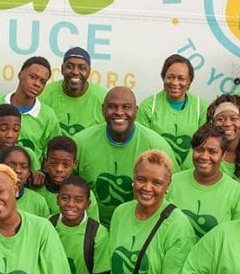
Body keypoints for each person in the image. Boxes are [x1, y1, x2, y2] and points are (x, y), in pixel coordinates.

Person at [75, 87, 176, 226]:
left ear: (136, 111)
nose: (119, 112)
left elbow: (170, 193)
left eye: (126, 107)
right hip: (90, 230)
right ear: (103, 109)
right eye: (112, 107)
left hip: (141, 228)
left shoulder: (156, 146)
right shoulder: (81, 143)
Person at [169, 125, 240, 238]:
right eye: (199, 150)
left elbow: (239, 238)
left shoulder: (236, 193)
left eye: (212, 152)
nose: (204, 156)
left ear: (223, 155)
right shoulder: (172, 183)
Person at [0, 56, 59, 157]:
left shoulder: (48, 116)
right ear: (20, 75)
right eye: (33, 77)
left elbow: (53, 154)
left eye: (42, 81)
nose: (37, 84)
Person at [49, 176, 110, 274]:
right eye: (65, 198)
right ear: (57, 200)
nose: (71, 204)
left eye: (78, 200)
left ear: (87, 204)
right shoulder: (49, 225)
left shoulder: (97, 233)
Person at [184, 93, 240, 193]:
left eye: (234, 118)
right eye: (220, 119)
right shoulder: (200, 154)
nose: (227, 124)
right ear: (213, 123)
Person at [136, 54, 208, 164]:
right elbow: (142, 144)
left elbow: (204, 145)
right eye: (170, 77)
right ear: (163, 77)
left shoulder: (202, 108)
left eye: (181, 78)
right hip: (156, 172)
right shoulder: (148, 106)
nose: (175, 83)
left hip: (191, 172)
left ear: (189, 81)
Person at [38, 47, 106, 137]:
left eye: (82, 68)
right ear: (62, 69)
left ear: (89, 71)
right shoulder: (44, 94)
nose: (75, 72)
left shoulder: (103, 98)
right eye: (69, 67)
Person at [0, 146, 50, 219]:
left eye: (24, 167)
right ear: (0, 168)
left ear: (29, 173)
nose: (18, 171)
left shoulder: (39, 202)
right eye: (11, 166)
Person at [33, 135, 99, 221]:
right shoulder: (36, 187)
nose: (59, 169)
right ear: (46, 161)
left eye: (66, 165)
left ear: (75, 164)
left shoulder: (84, 194)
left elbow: (93, 228)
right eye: (53, 163)